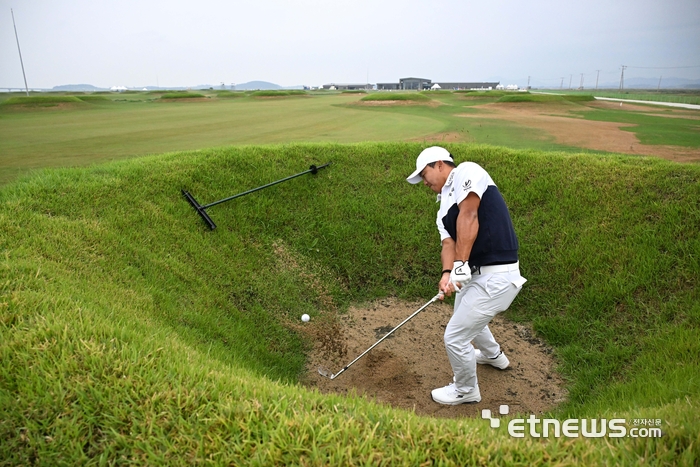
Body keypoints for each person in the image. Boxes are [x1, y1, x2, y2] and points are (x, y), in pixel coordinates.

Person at [406, 146, 527, 405]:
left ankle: (466, 390)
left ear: (439, 164)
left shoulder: (467, 172)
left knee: (455, 336)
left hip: (498, 276)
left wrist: (461, 264)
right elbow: (448, 244)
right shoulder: (442, 209)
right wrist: (448, 272)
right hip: (477, 276)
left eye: (424, 174)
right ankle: (494, 356)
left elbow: (469, 214)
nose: (424, 182)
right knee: (466, 316)